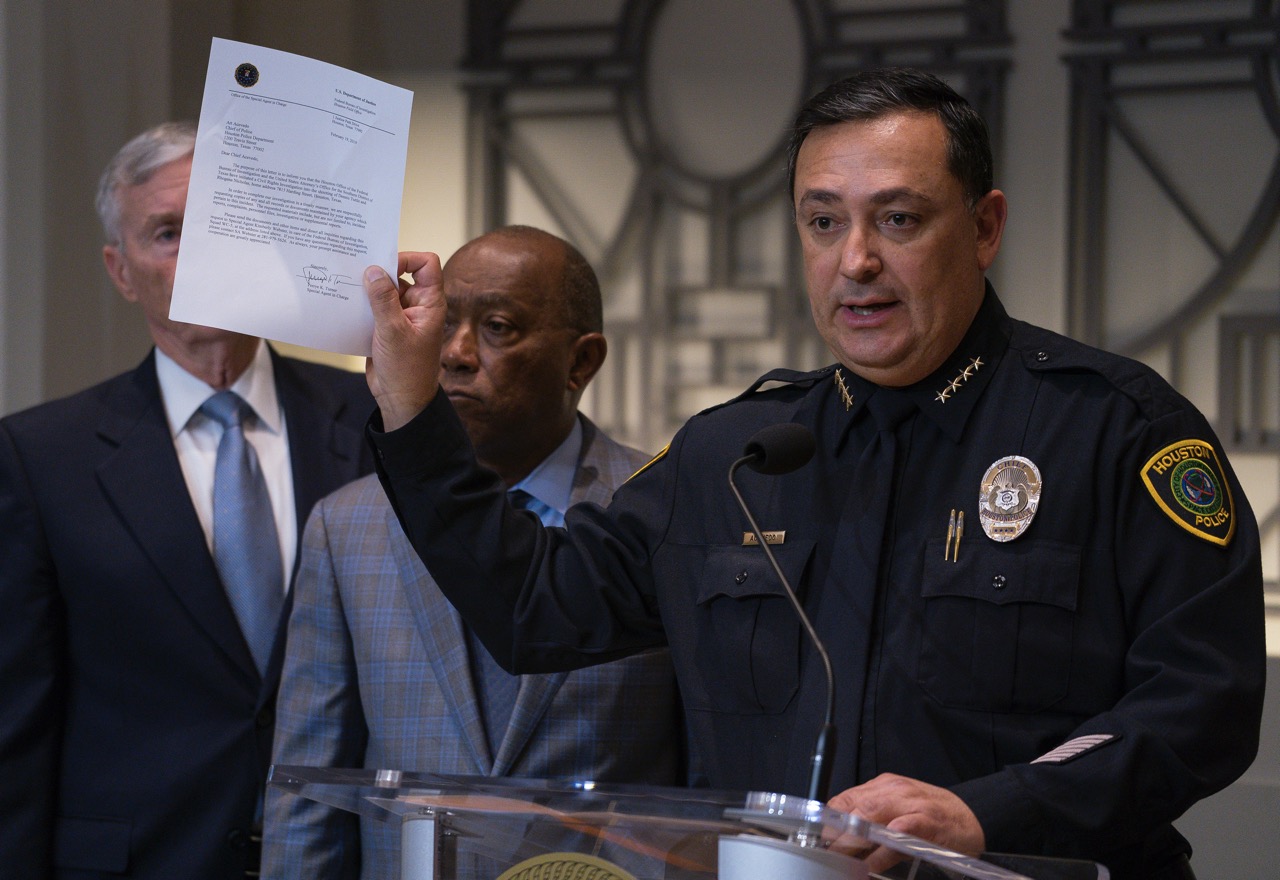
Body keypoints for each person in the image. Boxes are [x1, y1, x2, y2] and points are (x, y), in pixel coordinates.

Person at [357, 69, 1265, 880]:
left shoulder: (1117, 430)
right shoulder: (738, 456)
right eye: (824, 221)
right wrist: (410, 410)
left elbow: (1201, 707)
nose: (855, 260)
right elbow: (534, 609)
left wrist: (990, 811)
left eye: (898, 220)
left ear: (984, 227)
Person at [0, 121, 376, 879]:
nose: (200, 253)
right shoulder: (41, 457)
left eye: (220, 224)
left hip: (346, 853)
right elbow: (17, 719)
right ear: (121, 270)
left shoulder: (375, 420)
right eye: (169, 233)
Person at [261, 226, 688, 879]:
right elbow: (309, 786)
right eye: (442, 324)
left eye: (497, 327)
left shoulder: (662, 518)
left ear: (582, 362)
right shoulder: (347, 527)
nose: (454, 354)